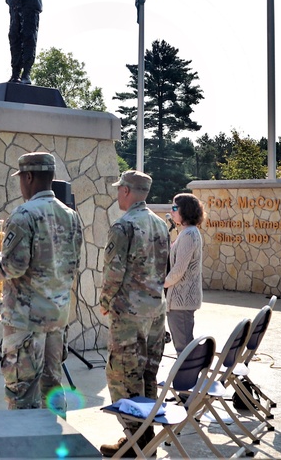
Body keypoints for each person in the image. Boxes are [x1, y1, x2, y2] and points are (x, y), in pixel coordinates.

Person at [0, 152, 83, 412]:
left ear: (29, 177)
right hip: (57, 320)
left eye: (22, 178)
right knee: (53, 390)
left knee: (21, 393)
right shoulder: (71, 215)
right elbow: (73, 264)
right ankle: (55, 448)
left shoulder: (23, 215)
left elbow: (13, 267)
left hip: (25, 323)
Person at [98, 169, 170, 457]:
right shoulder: (160, 224)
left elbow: (113, 272)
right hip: (156, 310)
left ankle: (135, 441)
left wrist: (105, 301)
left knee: (123, 377)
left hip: (128, 314)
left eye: (119, 189)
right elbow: (163, 268)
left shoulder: (123, 226)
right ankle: (144, 439)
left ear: (127, 191)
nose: (117, 193)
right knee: (148, 375)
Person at [164, 193, 205, 352]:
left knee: (184, 348)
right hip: (180, 301)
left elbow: (178, 270)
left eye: (175, 208)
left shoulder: (189, 234)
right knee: (183, 345)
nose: (171, 211)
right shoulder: (187, 232)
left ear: (185, 210)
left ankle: (187, 377)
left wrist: (161, 284)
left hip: (182, 302)